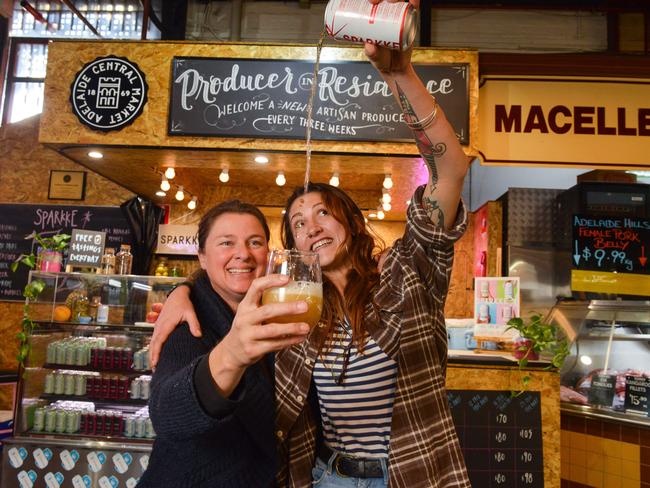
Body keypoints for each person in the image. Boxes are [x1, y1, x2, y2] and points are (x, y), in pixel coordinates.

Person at [149, 0, 473, 484]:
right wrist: (183, 289)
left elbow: (451, 167)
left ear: (351, 223)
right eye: (298, 222)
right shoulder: (294, 313)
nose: (313, 226)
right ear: (293, 245)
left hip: (416, 474)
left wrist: (401, 74)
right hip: (324, 478)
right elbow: (231, 295)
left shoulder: (409, 273)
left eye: (324, 212)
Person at [138, 200, 310, 488]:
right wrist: (231, 354)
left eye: (255, 242)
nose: (242, 254)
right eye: (226, 243)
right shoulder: (187, 320)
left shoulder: (280, 309)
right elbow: (167, 415)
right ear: (202, 257)